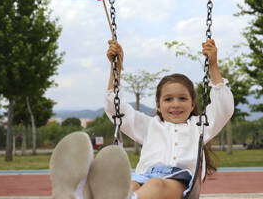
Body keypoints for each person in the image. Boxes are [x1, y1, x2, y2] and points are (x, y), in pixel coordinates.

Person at [49, 39, 234, 199]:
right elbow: (116, 110)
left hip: (180, 181)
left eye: (182, 98)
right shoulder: (150, 125)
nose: (175, 104)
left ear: (193, 104)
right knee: (132, 185)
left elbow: (224, 108)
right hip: (142, 178)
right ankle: (81, 193)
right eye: (168, 99)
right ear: (158, 105)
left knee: (155, 184)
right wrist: (116, 70)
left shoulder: (199, 126)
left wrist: (213, 67)